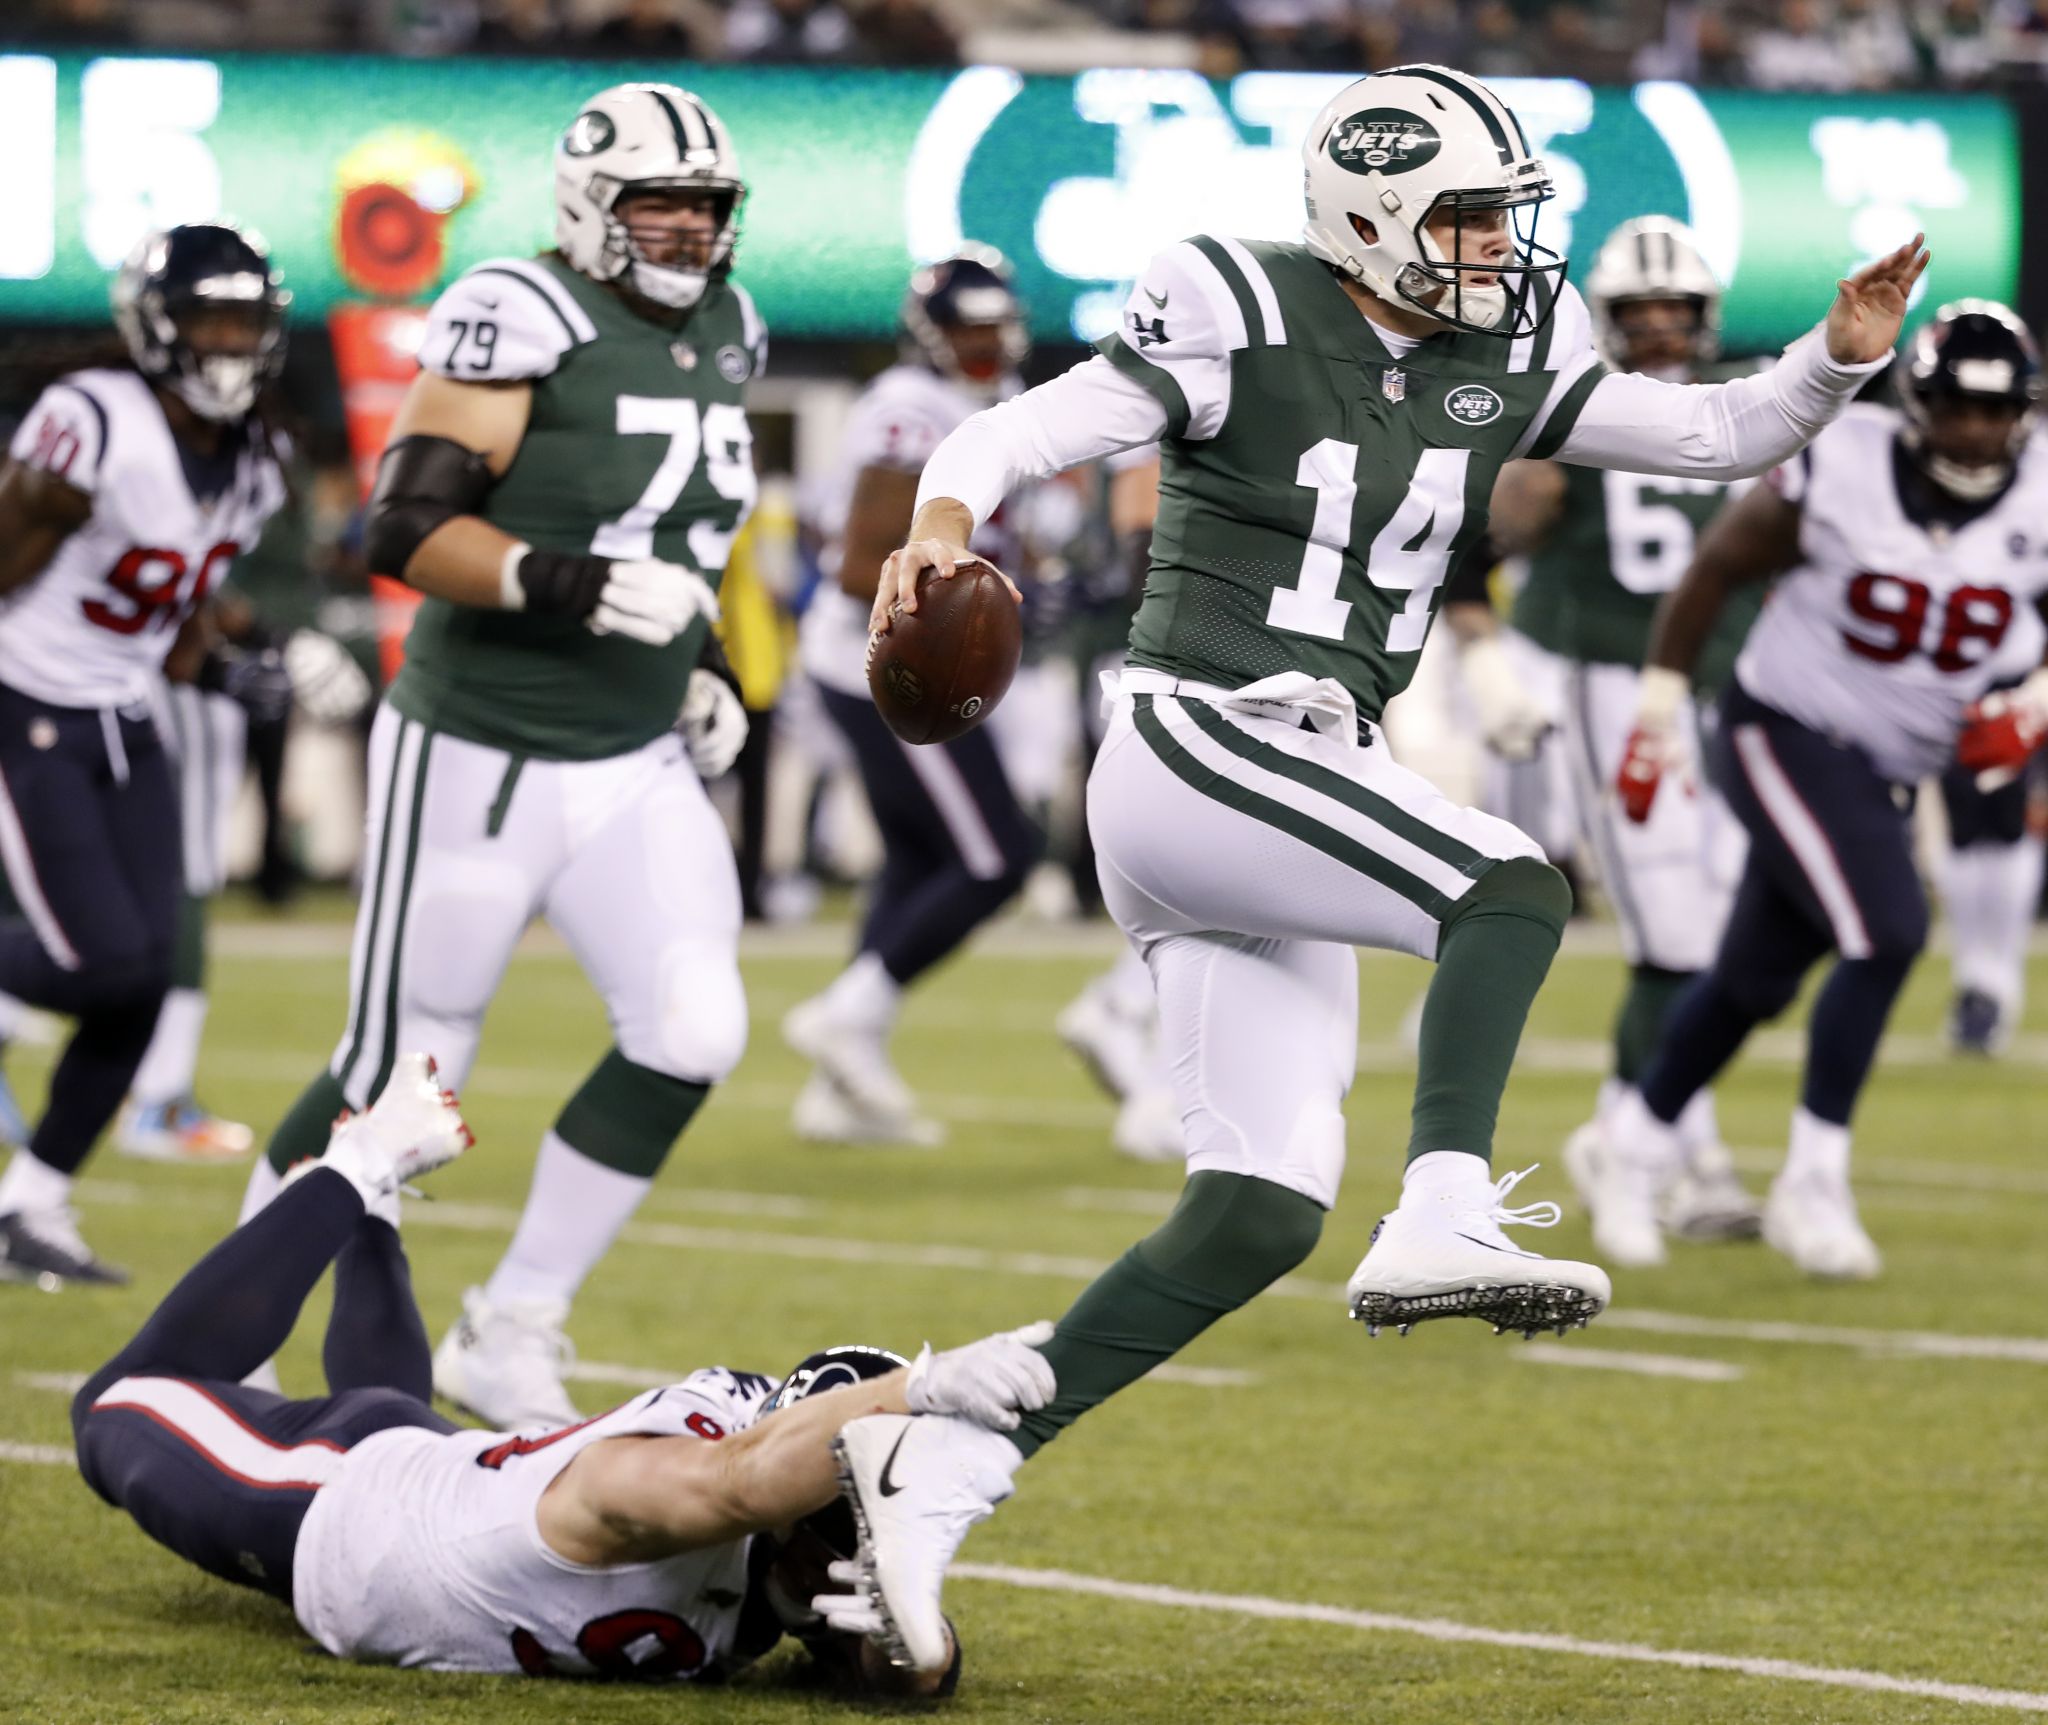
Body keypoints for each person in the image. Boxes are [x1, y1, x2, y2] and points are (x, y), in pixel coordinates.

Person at [820, 65, 1926, 1673]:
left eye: (1499, 217)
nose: (1495, 248)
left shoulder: (1502, 345)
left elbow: (1713, 432)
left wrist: (1838, 353)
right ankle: (1448, 1205)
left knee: (1257, 1211)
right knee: (1509, 881)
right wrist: (938, 521)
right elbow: (1024, 426)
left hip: (1310, 766)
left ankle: (939, 1470)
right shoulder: (1231, 302)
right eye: (1467, 216)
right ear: (1370, 210)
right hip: (1202, 733)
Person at [239, 82, 763, 1430]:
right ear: (593, 201)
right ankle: (232, 1333)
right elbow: (402, 529)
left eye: (707, 207)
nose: (689, 231)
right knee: (400, 1071)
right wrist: (568, 586)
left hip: (633, 752)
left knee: (695, 1029)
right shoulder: (515, 309)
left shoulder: (733, 328)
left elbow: (683, 534)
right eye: (661, 202)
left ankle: (516, 1317)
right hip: (485, 747)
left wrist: (697, 664)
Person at [72, 1051, 1054, 1690]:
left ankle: (375, 1217)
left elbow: (898, 1666)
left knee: (404, 1419)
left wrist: (927, 1650)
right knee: (110, 1405)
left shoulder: (788, 1560)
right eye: (838, 1519)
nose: (840, 1554)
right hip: (341, 1507)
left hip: (434, 1465)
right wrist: (911, 1390)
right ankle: (359, 1166)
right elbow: (736, 1481)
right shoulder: (665, 1480)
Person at [1605, 299, 2048, 1279]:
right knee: (1887, 928)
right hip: (1782, 725)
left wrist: (2034, 701)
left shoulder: (2038, 491)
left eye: (1994, 410)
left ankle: (1626, 1145)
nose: (1975, 430)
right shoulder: (1841, 462)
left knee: (1750, 981)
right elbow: (1712, 572)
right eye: (1955, 407)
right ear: (1913, 402)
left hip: (1888, 765)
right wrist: (1652, 719)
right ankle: (1811, 1181)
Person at [0, 221, 291, 1285]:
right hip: (26, 701)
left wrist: (226, 669)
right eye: (208, 320)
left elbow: (169, 612)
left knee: (146, 978)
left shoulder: (257, 453)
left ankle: (31, 1202)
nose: (227, 342)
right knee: (104, 964)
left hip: (126, 718)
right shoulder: (91, 422)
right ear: (156, 328)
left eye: (244, 320)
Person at [1488, 216, 1765, 1267]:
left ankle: (1622, 1130)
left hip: (1731, 694)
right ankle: (1681, 1155)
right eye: (1636, 316)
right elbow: (1498, 516)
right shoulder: (1574, 405)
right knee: (1674, 937)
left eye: (1673, 313)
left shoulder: (1748, 397)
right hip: (1614, 692)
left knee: (1732, 932)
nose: (1656, 332)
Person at [783, 249, 1041, 1147]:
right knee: (994, 856)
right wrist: (975, 607)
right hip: (883, 659)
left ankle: (835, 1089)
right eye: (964, 330)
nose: (981, 346)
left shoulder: (979, 409)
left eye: (991, 329)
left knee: (914, 860)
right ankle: (848, 1015)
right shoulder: (907, 408)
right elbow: (859, 565)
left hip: (890, 658)